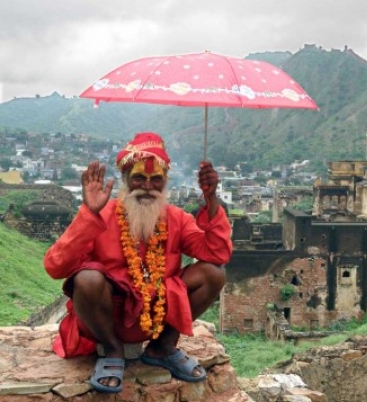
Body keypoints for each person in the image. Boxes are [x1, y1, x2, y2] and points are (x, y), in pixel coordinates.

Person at [43, 132, 232, 393]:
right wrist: (88, 214)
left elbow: (218, 254)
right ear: (125, 181)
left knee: (214, 274)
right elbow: (55, 266)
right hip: (106, 318)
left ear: (165, 183)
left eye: (156, 180)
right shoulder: (101, 214)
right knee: (86, 279)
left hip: (157, 315)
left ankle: (162, 348)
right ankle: (112, 352)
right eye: (139, 178)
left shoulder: (176, 218)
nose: (147, 186)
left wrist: (211, 201)